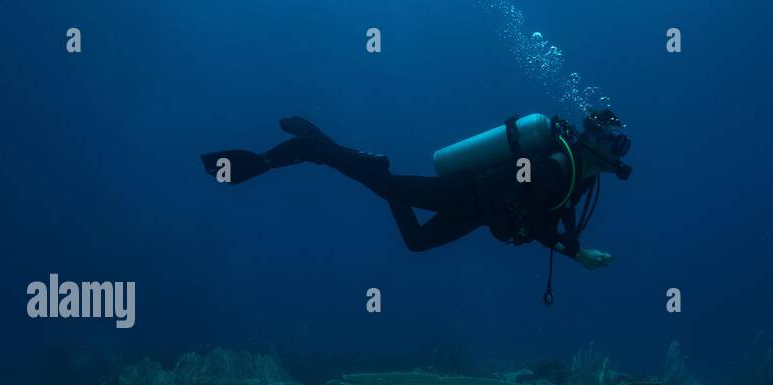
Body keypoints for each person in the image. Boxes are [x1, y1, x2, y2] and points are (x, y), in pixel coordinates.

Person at [201, 109, 631, 285]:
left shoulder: (583, 177)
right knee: (387, 187)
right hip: (467, 195)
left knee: (417, 241)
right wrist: (571, 253)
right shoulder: (559, 166)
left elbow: (555, 216)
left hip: (480, 212)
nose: (619, 151)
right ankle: (305, 150)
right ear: (593, 140)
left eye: (620, 144)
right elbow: (534, 204)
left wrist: (574, 248)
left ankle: (365, 165)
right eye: (615, 142)